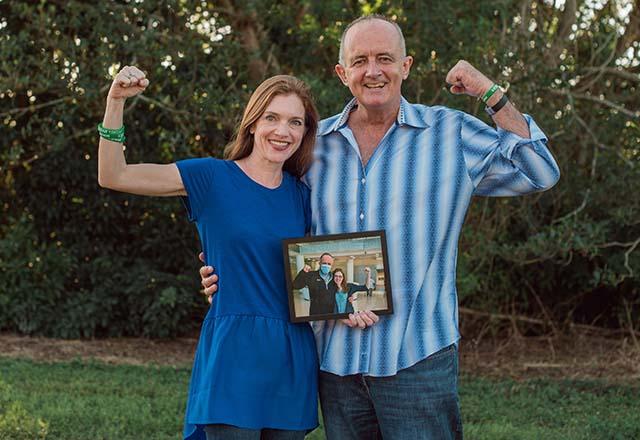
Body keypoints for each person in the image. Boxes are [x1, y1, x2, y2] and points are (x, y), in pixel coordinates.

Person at [200, 14, 560, 440]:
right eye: (361, 60)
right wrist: (227, 268)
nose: (373, 71)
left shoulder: (449, 134)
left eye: (385, 58)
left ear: (405, 67)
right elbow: (269, 219)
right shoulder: (312, 146)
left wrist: (490, 92)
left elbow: (540, 171)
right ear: (342, 73)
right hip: (335, 361)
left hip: (417, 358)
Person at [98, 69, 320, 440]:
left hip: (292, 355)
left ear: (304, 133)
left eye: (295, 122)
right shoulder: (210, 178)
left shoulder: (304, 196)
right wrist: (115, 101)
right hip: (233, 352)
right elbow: (114, 174)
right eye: (272, 117)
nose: (283, 131)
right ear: (252, 123)